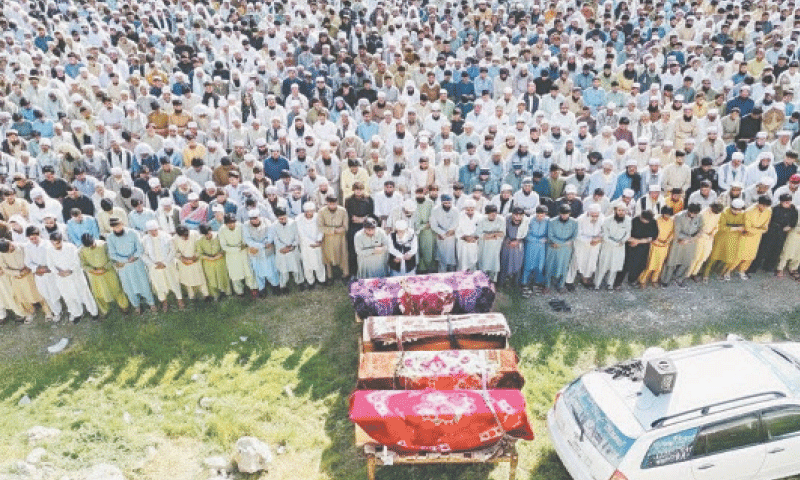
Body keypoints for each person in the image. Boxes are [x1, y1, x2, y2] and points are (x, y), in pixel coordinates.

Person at [105, 218, 156, 314]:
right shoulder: (110, 237)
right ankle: (136, 305)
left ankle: (151, 303)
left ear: (122, 224)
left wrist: (134, 257)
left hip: (136, 263)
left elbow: (140, 248)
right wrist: (125, 260)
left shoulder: (133, 233)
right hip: (123, 266)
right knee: (129, 288)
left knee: (144, 284)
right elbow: (112, 254)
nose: (117, 229)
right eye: (114, 228)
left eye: (118, 226)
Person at [46, 232, 99, 323]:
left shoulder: (70, 247)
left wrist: (70, 270)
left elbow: (77, 261)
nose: (56, 245)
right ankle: (77, 313)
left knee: (84, 294)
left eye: (58, 243)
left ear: (62, 240)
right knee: (69, 297)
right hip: (62, 278)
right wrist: (58, 272)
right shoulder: (49, 250)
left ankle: (93, 312)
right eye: (54, 243)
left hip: (75, 276)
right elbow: (50, 265)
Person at [78, 233, 130, 316]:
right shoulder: (81, 251)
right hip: (94, 275)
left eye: (92, 244)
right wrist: (93, 270)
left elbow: (112, 258)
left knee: (116, 289)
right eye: (88, 246)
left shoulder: (103, 245)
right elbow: (83, 265)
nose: (91, 247)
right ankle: (104, 310)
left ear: (93, 239)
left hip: (108, 272)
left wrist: (105, 268)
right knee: (99, 294)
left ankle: (124, 305)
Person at [142, 220, 185, 311]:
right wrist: (153, 264)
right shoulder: (145, 240)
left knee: (173, 282)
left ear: (158, 228)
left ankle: (179, 300)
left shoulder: (166, 236)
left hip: (168, 265)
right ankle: (164, 302)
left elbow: (172, 250)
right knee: (159, 285)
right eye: (151, 231)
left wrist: (165, 263)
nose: (153, 233)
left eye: (155, 230)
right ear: (148, 231)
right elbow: (143, 254)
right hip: (155, 267)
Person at [23, 226, 62, 322]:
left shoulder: (48, 244)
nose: (33, 240)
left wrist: (48, 268)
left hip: (50, 272)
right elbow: (28, 262)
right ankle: (56, 312)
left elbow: (55, 258)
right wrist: (37, 269)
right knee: (46, 294)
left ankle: (60, 310)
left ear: (39, 235)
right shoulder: (27, 246)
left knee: (54, 293)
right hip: (39, 274)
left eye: (35, 238)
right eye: (31, 239)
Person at [661, 204, 703, 287]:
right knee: (672, 261)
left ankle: (679, 278)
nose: (694, 215)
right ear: (688, 211)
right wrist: (686, 239)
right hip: (678, 242)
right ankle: (665, 280)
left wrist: (691, 239)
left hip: (691, 242)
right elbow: (676, 232)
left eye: (696, 213)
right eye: (692, 213)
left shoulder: (699, 217)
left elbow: (701, 230)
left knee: (687, 261)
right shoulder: (679, 217)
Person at [704, 199, 748, 281]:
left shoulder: (743, 214)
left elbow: (745, 225)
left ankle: (720, 273)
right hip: (721, 238)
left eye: (739, 210)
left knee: (729, 259)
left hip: (734, 239)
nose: (736, 212)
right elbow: (721, 227)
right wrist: (736, 228)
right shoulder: (724, 212)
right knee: (714, 257)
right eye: (735, 209)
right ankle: (705, 274)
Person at [732, 196, 773, 279]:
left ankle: (742, 271)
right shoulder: (749, 211)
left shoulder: (768, 210)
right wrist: (759, 230)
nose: (765, 208)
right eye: (763, 205)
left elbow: (765, 227)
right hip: (746, 236)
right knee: (740, 255)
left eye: (767, 206)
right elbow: (747, 228)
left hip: (757, 237)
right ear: (758, 203)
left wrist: (757, 230)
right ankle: (728, 271)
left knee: (751, 256)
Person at [594, 202, 631, 290]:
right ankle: (597, 284)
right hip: (608, 246)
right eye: (619, 210)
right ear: (615, 211)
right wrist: (614, 243)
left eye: (623, 210)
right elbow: (605, 235)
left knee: (615, 267)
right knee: (603, 266)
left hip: (620, 247)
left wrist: (622, 241)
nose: (621, 212)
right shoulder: (607, 220)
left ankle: (610, 284)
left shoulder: (628, 220)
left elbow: (628, 233)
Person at [242, 210, 280, 296]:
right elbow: (248, 239)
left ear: (259, 216)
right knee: (258, 272)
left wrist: (267, 242)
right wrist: (260, 245)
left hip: (268, 250)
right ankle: (262, 289)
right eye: (251, 218)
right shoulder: (246, 225)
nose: (254, 220)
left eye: (255, 218)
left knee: (271, 270)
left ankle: (275, 286)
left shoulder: (267, 222)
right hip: (255, 251)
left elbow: (271, 235)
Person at [218, 213, 257, 297]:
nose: (231, 224)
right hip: (231, 255)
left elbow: (245, 239)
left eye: (232, 222)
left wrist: (244, 245)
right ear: (225, 223)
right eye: (228, 223)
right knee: (235, 275)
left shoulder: (241, 226)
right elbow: (224, 246)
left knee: (248, 271)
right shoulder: (222, 230)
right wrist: (237, 248)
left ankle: (253, 288)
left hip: (244, 253)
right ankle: (239, 292)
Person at [566, 204, 604, 288]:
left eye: (596, 216)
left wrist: (598, 239)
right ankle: (569, 281)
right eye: (593, 216)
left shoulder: (602, 218)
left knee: (590, 262)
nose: (595, 218)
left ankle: (585, 279)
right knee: (576, 262)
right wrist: (591, 240)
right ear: (588, 213)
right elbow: (577, 235)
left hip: (595, 245)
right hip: (581, 245)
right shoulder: (580, 219)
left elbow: (604, 231)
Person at [544, 204, 578, 292]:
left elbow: (574, 236)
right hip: (553, 247)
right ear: (559, 213)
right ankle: (547, 285)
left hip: (565, 248)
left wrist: (561, 244)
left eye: (566, 214)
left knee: (564, 266)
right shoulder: (552, 221)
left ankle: (561, 285)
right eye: (562, 214)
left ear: (569, 213)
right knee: (549, 266)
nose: (564, 216)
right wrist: (557, 242)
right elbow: (550, 235)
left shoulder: (574, 222)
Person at [638, 207, 675, 287]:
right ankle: (642, 280)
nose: (667, 216)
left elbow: (673, 233)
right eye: (666, 214)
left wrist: (667, 241)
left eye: (669, 215)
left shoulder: (672, 221)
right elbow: (651, 231)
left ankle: (654, 279)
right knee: (650, 263)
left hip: (665, 245)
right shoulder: (656, 220)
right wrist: (656, 240)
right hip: (655, 244)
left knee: (660, 264)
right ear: (662, 213)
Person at [173, 225, 210, 301]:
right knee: (187, 280)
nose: (186, 237)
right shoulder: (175, 239)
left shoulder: (195, 234)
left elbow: (200, 246)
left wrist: (195, 256)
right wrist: (182, 258)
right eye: (184, 236)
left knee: (201, 278)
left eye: (187, 235)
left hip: (196, 260)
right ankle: (191, 296)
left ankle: (206, 295)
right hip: (184, 263)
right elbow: (175, 251)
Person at [689, 203, 724, 282]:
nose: (716, 213)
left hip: (709, 238)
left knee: (703, 257)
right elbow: (696, 225)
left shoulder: (718, 214)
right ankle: (688, 273)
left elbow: (717, 225)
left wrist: (713, 233)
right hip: (700, 237)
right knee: (696, 256)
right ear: (711, 207)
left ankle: (694, 273)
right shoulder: (703, 213)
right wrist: (701, 233)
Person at [318, 194, 349, 283]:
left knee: (343, 255)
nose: (332, 206)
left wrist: (342, 229)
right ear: (327, 203)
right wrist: (333, 230)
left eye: (334, 204)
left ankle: (345, 274)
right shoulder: (321, 211)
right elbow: (320, 227)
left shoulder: (343, 210)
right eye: (330, 204)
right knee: (328, 257)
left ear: (337, 202)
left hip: (340, 237)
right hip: (328, 238)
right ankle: (330, 276)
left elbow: (346, 226)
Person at [273, 208, 304, 292]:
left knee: (296, 267)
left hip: (292, 248)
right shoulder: (274, 225)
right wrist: (283, 247)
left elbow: (297, 236)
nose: (282, 220)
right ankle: (283, 285)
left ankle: (300, 282)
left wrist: (292, 246)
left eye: (284, 218)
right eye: (280, 219)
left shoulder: (293, 223)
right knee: (283, 269)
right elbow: (275, 238)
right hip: (281, 250)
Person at [196, 224, 231, 300]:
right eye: (205, 235)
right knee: (211, 279)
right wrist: (209, 258)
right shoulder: (199, 240)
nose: (207, 236)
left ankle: (227, 292)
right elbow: (199, 254)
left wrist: (219, 255)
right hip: (208, 262)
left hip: (220, 260)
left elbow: (224, 248)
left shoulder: (218, 236)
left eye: (208, 233)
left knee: (223, 276)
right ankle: (215, 295)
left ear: (211, 230)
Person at [521, 206, 550, 296]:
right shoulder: (530, 220)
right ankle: (525, 283)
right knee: (528, 263)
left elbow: (549, 233)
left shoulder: (548, 221)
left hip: (542, 246)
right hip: (531, 244)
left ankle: (537, 283)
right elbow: (526, 233)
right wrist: (537, 240)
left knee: (540, 265)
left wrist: (546, 239)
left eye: (542, 215)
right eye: (538, 215)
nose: (540, 217)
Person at [296, 202, 326, 288]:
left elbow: (321, 229)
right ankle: (310, 281)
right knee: (307, 265)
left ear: (314, 211)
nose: (309, 213)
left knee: (319, 263)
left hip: (317, 244)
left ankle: (321, 280)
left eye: (311, 211)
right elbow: (301, 234)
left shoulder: (318, 217)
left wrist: (319, 240)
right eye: (307, 211)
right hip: (305, 246)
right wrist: (312, 243)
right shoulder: (299, 219)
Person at [499, 207, 529, 286]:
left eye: (520, 215)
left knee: (517, 263)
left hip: (518, 243)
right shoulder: (507, 219)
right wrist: (507, 240)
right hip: (507, 243)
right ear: (512, 214)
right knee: (505, 262)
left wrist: (517, 241)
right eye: (515, 215)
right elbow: (502, 231)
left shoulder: (525, 221)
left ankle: (515, 284)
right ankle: (501, 283)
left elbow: (524, 233)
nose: (517, 217)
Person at [430, 194, 459, 271]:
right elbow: (433, 224)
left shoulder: (455, 210)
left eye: (449, 203)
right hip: (441, 236)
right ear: (442, 202)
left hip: (451, 236)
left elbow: (456, 223)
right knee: (442, 258)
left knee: (452, 259)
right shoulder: (435, 210)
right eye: (445, 203)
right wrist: (441, 233)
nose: (447, 205)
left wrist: (450, 231)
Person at [476, 205, 505, 281]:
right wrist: (493, 234)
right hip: (484, 246)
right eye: (491, 213)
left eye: (495, 213)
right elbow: (479, 234)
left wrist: (489, 235)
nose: (493, 215)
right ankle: (482, 280)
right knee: (484, 263)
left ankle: (493, 281)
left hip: (496, 246)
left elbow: (502, 233)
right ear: (487, 214)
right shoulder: (481, 220)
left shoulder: (501, 220)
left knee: (494, 263)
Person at [456, 199, 481, 271]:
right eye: (468, 209)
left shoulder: (479, 216)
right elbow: (457, 229)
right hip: (463, 242)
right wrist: (465, 237)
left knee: (473, 261)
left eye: (472, 209)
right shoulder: (459, 216)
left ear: (475, 209)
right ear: (465, 209)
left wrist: (475, 237)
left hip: (474, 242)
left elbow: (481, 229)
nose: (470, 211)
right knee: (462, 262)